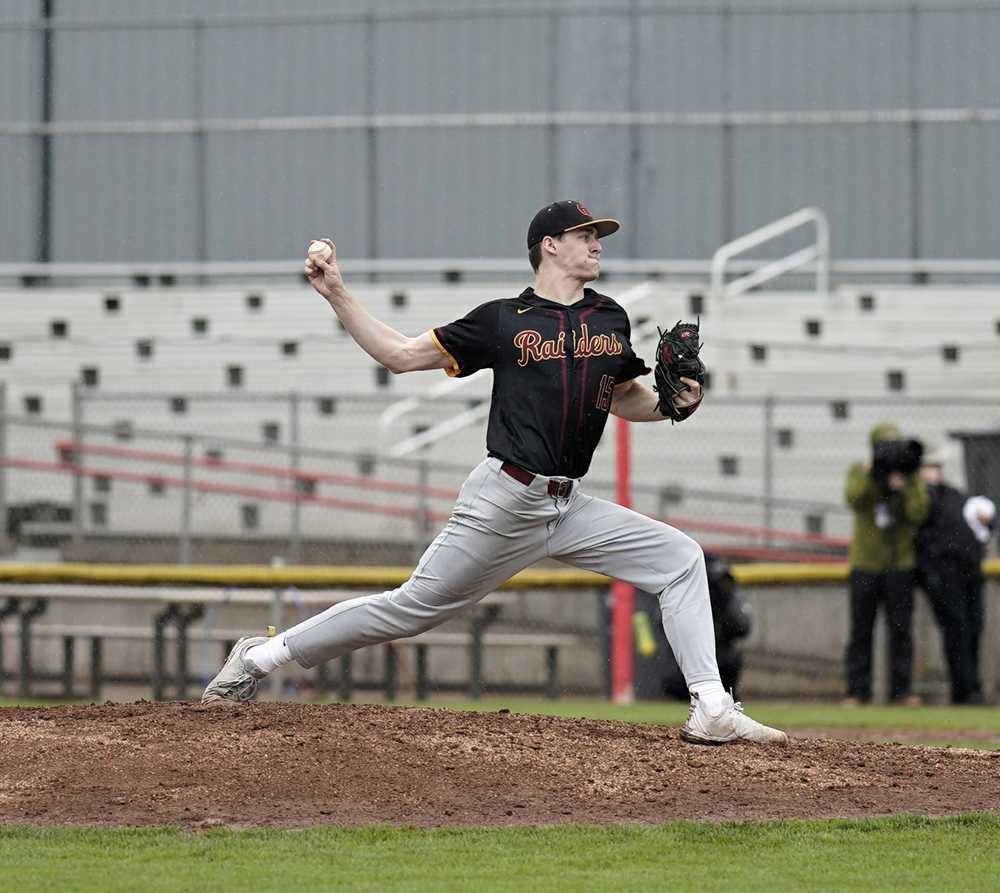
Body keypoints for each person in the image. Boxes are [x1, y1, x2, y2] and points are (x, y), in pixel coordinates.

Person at [201, 200, 787, 745]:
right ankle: (259, 657)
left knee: (681, 559)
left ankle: (710, 708)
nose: (597, 245)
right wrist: (338, 294)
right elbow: (401, 355)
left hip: (569, 506)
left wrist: (676, 401)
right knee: (411, 608)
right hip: (505, 500)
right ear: (549, 246)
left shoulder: (609, 317)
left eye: (598, 236)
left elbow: (626, 396)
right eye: (586, 235)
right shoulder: (503, 319)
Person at [844, 423, 929, 705]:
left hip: (900, 564)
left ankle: (901, 691)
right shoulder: (861, 470)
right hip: (865, 563)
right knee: (861, 630)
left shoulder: (910, 476)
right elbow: (853, 499)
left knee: (901, 630)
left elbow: (919, 513)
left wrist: (903, 488)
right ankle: (857, 691)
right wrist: (872, 476)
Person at [916, 450, 996, 704]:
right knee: (957, 630)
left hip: (971, 571)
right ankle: (964, 690)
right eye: (927, 468)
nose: (932, 472)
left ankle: (974, 687)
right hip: (944, 573)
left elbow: (982, 522)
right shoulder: (920, 499)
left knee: (974, 628)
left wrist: (989, 521)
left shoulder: (955, 495)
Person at [660, 553, 752, 702]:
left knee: (728, 663)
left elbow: (742, 628)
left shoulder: (726, 598)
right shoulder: (684, 594)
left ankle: (717, 705)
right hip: (687, 666)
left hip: (720, 661)